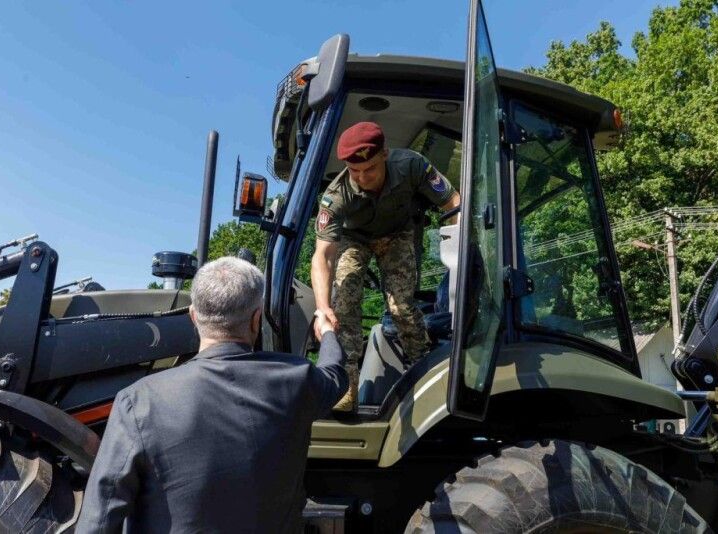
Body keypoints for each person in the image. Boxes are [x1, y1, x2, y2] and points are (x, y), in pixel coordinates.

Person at [76, 256, 347, 533]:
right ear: (256, 319)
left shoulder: (139, 402)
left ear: (193, 316)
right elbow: (335, 373)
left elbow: (99, 520)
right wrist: (326, 333)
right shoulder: (299, 380)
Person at [311, 121, 461, 412]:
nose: (362, 178)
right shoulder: (336, 195)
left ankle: (424, 368)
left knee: (401, 307)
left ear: (384, 155)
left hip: (398, 235)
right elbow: (322, 256)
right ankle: (346, 388)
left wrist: (460, 252)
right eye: (355, 172)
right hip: (355, 240)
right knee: (343, 304)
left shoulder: (411, 165)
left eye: (369, 169)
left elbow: (453, 202)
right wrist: (322, 307)